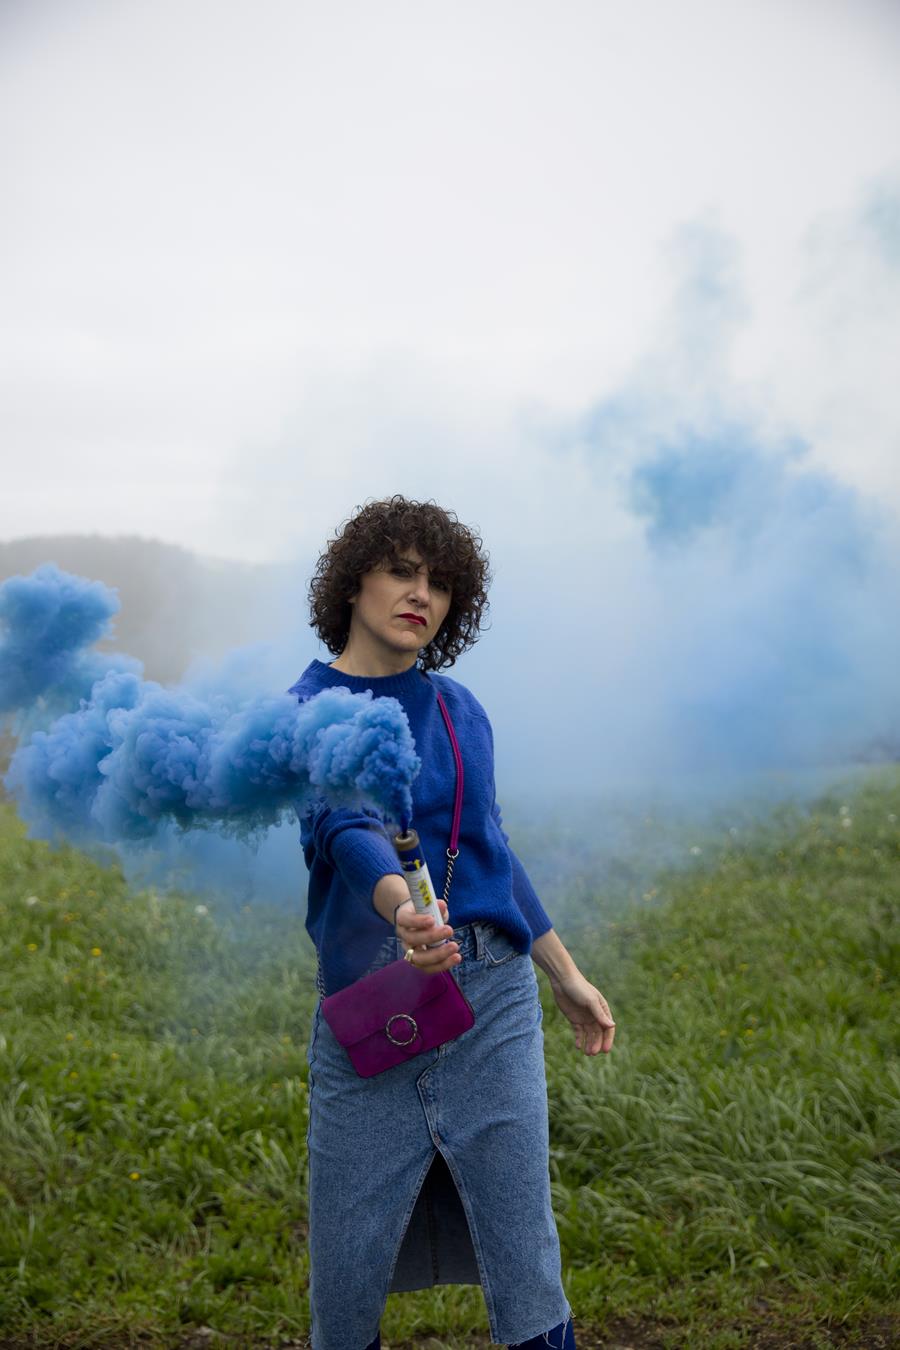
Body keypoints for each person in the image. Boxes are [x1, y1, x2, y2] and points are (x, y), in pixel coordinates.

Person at [288, 495, 615, 1350]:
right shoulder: (312, 706)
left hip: (495, 999)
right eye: (400, 571)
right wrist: (404, 912)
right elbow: (342, 829)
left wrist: (565, 975)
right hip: (376, 1003)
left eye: (438, 582)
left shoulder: (460, 706)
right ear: (353, 582)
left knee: (525, 1252)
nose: (419, 595)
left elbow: (491, 850)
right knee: (347, 1272)